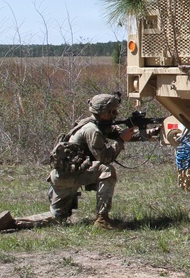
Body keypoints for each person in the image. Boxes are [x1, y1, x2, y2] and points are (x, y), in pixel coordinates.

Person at [47, 93, 134, 229]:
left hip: (65, 176)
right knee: (106, 169)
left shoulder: (91, 122)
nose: (116, 114)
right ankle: (102, 220)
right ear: (104, 113)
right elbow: (105, 158)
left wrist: (147, 132)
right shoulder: (92, 130)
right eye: (113, 111)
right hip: (69, 177)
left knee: (58, 218)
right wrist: (121, 140)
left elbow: (116, 132)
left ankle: (12, 223)